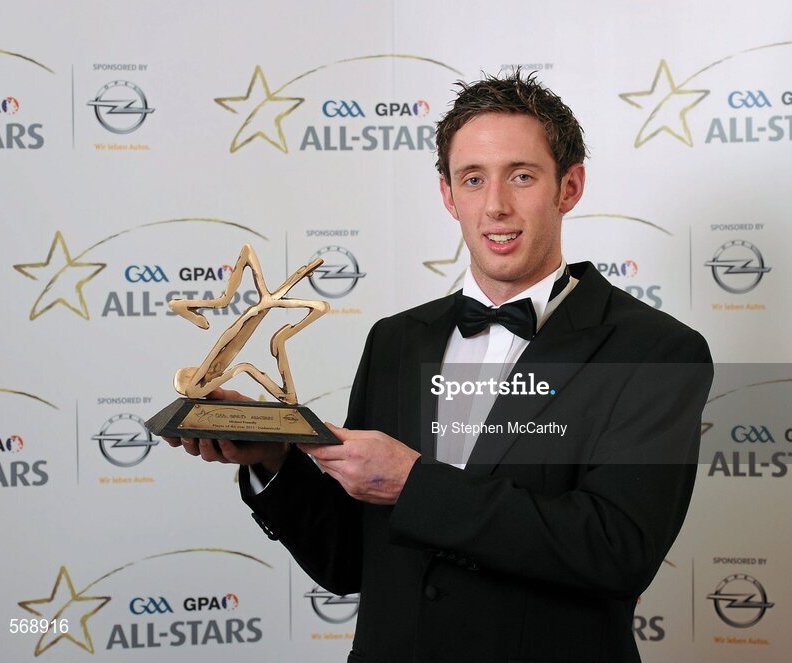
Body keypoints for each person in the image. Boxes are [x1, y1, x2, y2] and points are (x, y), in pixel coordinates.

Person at [165, 71, 712, 663]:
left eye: (521, 176)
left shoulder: (655, 351)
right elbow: (350, 560)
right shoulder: (397, 341)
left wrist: (415, 483)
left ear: (569, 187)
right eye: (473, 179)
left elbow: (617, 550)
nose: (496, 206)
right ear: (449, 195)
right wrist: (274, 461)